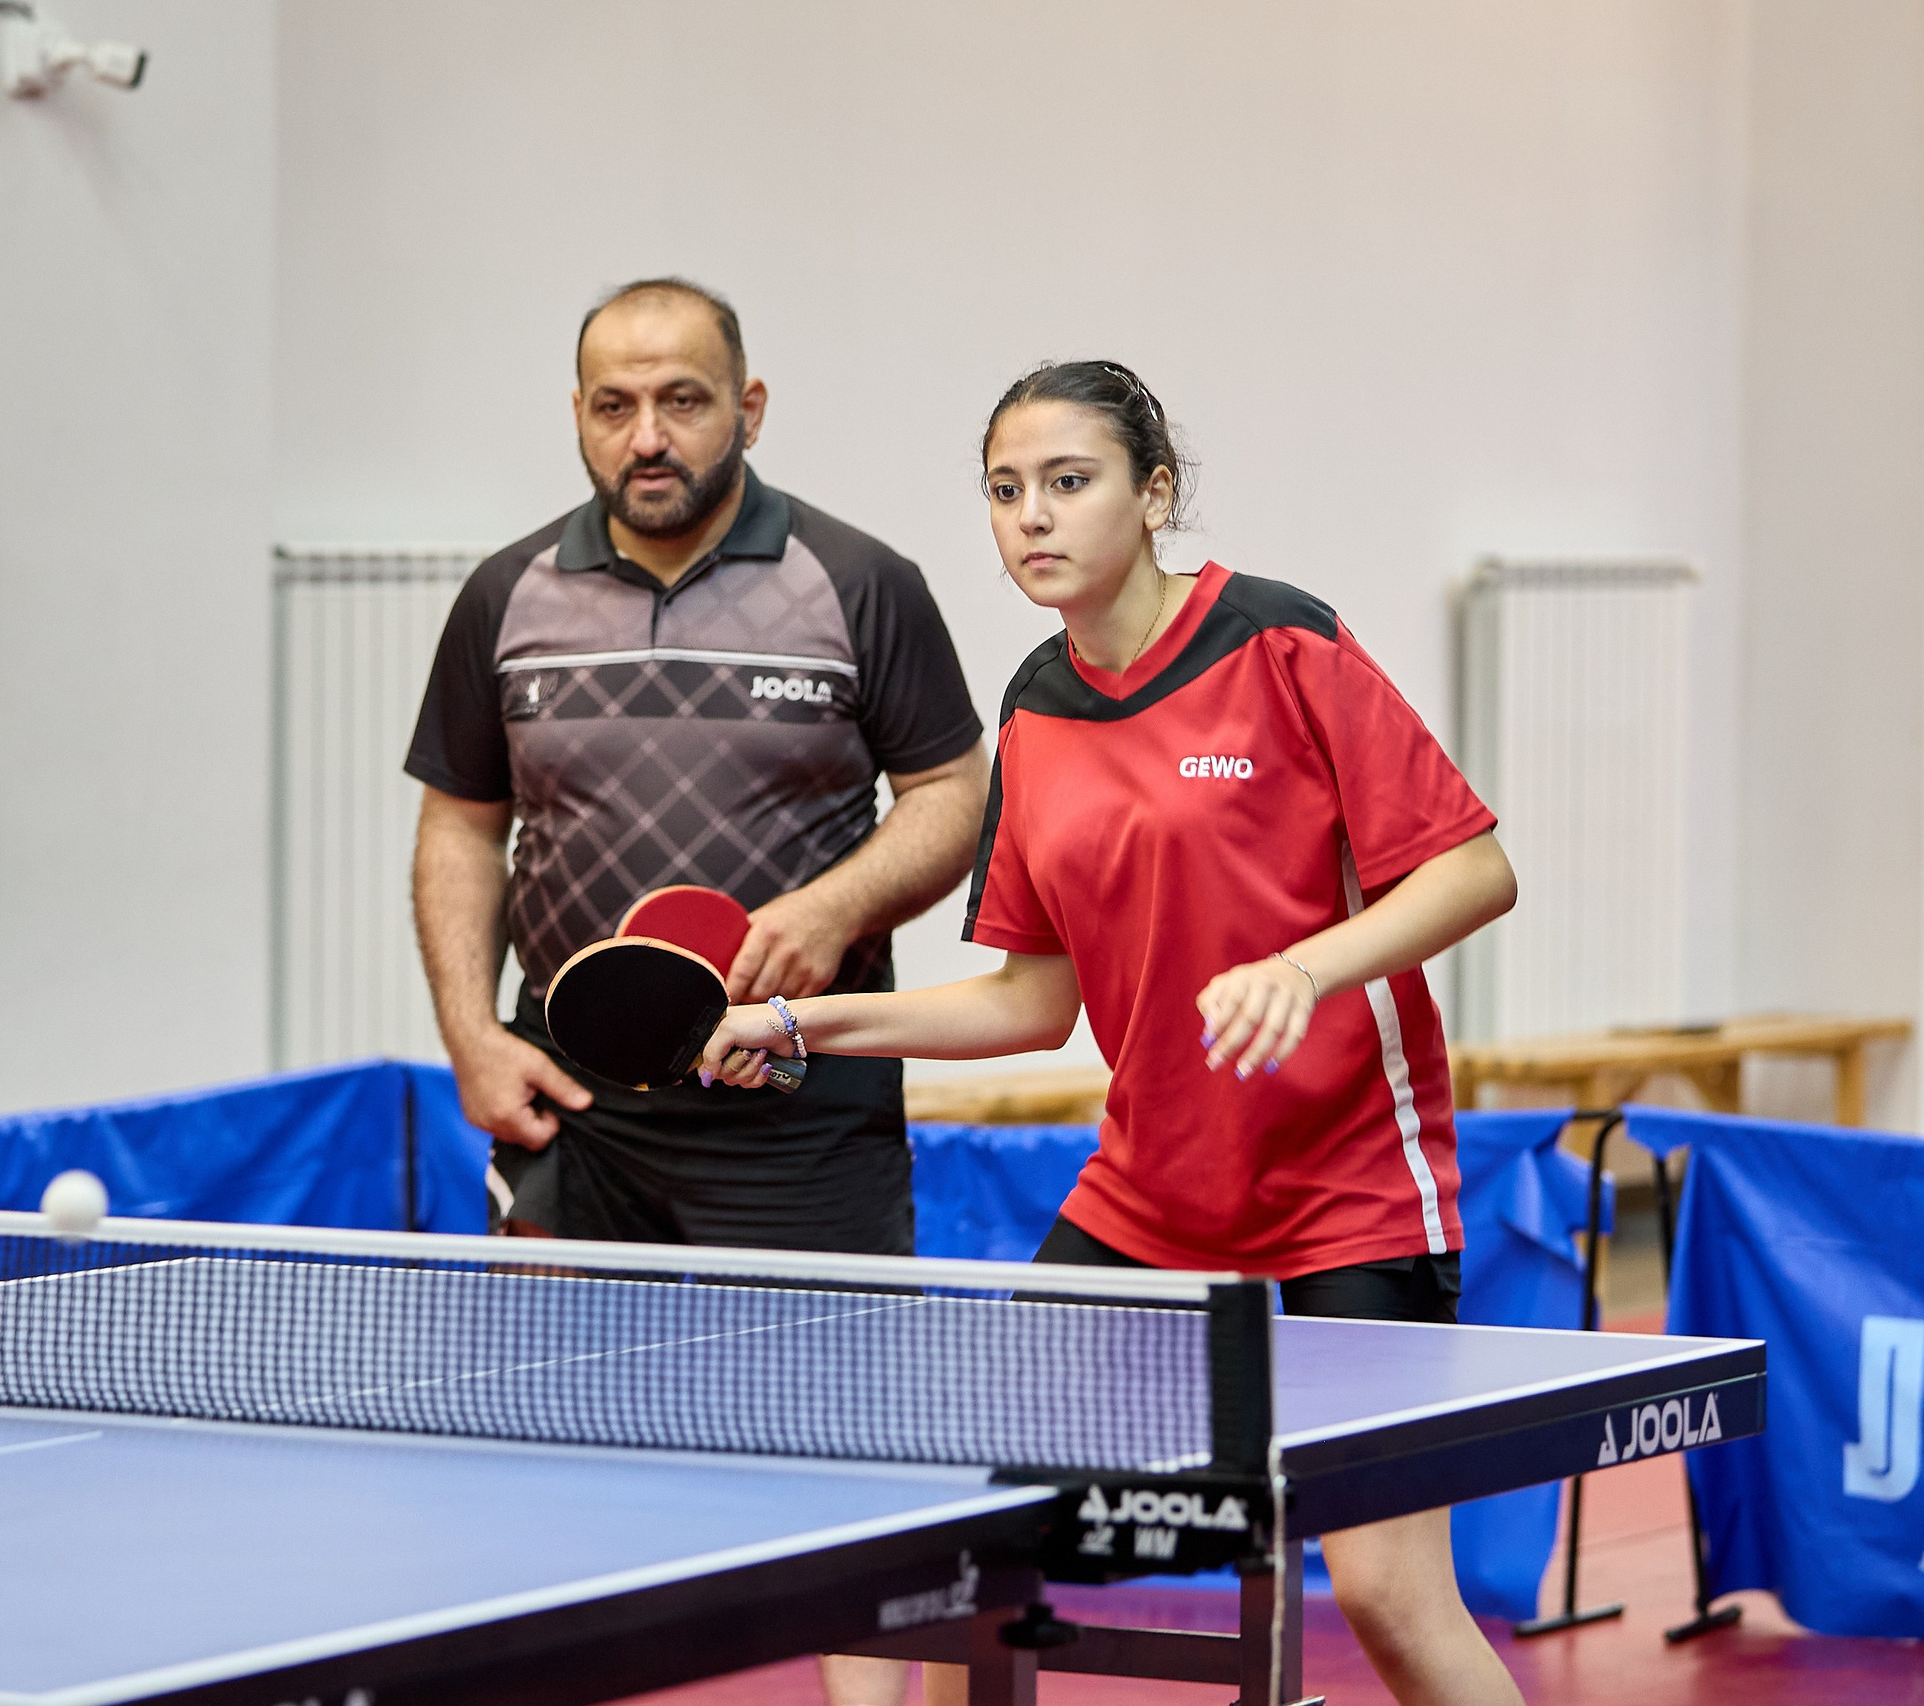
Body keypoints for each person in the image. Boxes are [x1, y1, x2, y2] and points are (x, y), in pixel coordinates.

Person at [697, 361, 1527, 1706]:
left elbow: (1475, 870)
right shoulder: (1034, 709)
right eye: (1006, 491)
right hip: (1151, 1195)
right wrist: (806, 1020)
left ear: (1154, 493)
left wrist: (1303, 969)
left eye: (1067, 482)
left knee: (1385, 1591)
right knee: (915, 1515)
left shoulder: (1281, 642)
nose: (1032, 517)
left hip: (1350, 1187)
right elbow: (1032, 999)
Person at [404, 276, 989, 1259]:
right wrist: (469, 1033)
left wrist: (835, 908)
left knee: (818, 1405)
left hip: (801, 1087)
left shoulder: (860, 583)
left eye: (682, 400)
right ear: (579, 415)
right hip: (575, 1098)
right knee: (547, 1406)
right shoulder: (504, 595)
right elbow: (460, 826)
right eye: (613, 406)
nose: (646, 438)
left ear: (747, 410)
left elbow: (954, 794)